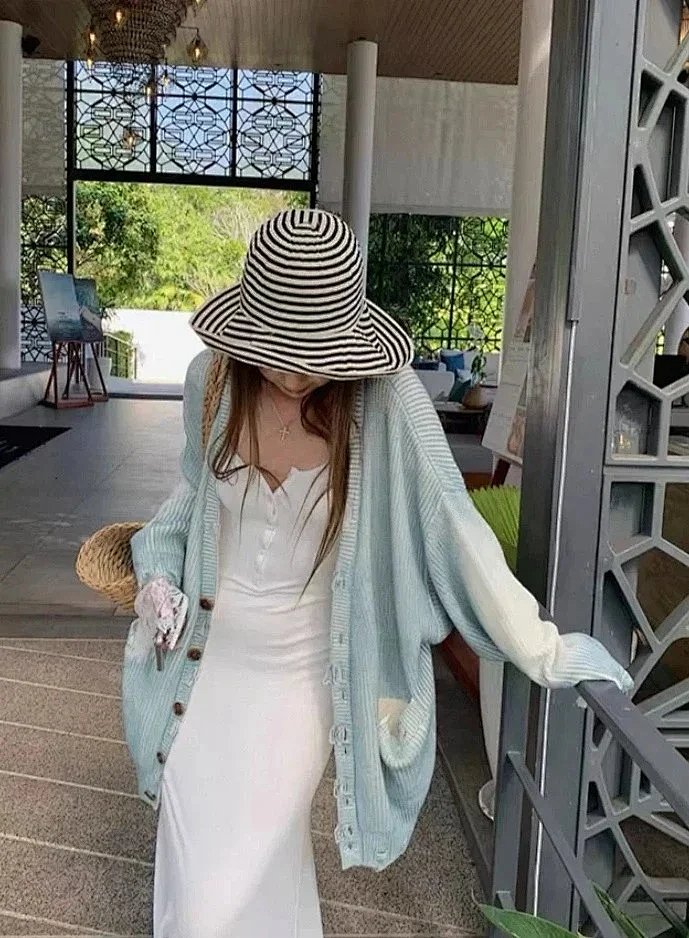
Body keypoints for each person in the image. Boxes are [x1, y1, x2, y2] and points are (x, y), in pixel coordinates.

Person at [122, 209, 631, 938]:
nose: (293, 373)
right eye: (274, 350)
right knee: (198, 856)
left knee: (234, 879)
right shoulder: (212, 382)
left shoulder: (383, 400)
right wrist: (156, 574)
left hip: (299, 678)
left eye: (313, 354)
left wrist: (543, 649)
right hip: (205, 666)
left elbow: (453, 524)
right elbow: (189, 497)